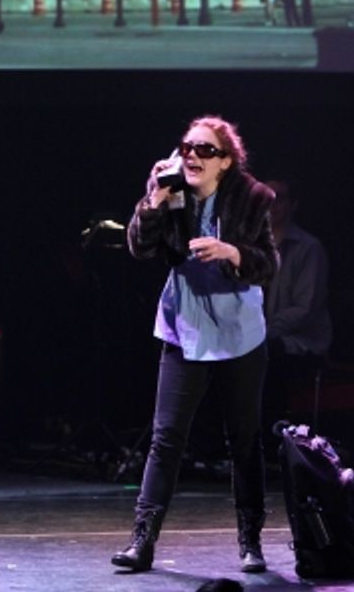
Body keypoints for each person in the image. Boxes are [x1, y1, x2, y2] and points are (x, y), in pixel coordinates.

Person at [112, 116, 278, 573]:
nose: (191, 156)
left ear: (225, 161)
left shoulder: (252, 198)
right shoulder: (168, 187)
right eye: (187, 147)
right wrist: (154, 202)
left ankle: (251, 541)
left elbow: (268, 263)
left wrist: (234, 253)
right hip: (184, 324)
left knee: (243, 439)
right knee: (167, 437)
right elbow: (138, 247)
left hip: (237, 329)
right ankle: (141, 541)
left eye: (205, 150)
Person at [261, 179, 332, 431]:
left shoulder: (308, 248)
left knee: (262, 357)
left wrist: (262, 334)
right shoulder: (249, 246)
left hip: (300, 343)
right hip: (259, 337)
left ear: (293, 205)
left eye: (278, 197)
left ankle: (270, 441)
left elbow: (305, 308)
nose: (270, 203)